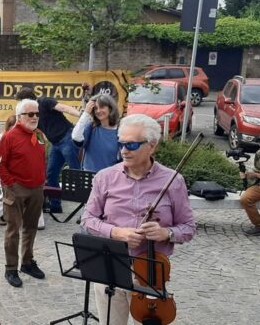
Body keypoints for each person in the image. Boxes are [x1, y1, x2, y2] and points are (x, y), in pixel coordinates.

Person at [80, 114, 196, 325]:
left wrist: (166, 233)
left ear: (152, 146)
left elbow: (188, 228)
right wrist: (117, 233)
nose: (124, 150)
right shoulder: (105, 177)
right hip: (111, 268)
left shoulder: (173, 181)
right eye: (121, 143)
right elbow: (87, 219)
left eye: (132, 144)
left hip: (150, 274)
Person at [0, 99, 47, 288]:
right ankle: (11, 268)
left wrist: (43, 180)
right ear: (20, 117)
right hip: (16, 189)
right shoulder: (9, 137)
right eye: (30, 114)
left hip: (36, 188)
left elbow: (43, 159)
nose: (35, 117)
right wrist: (11, 185)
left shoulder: (40, 135)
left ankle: (27, 262)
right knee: (13, 230)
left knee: (31, 228)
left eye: (37, 114)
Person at [15, 87, 81, 213]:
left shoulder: (45, 102)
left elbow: (63, 108)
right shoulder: (32, 113)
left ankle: (90, 208)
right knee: (51, 174)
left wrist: (80, 115)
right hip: (55, 144)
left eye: (21, 103)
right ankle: (55, 206)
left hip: (67, 138)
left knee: (78, 174)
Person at [0, 115, 45, 230]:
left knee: (34, 191)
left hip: (26, 175)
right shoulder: (2, 139)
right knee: (12, 191)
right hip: (1, 174)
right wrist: (11, 182)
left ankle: (35, 220)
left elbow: (41, 156)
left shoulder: (36, 135)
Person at [71, 93, 121, 173]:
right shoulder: (91, 127)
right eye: (95, 108)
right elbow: (76, 138)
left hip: (111, 178)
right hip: (90, 176)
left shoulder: (120, 130)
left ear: (110, 109)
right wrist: (86, 113)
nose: (98, 111)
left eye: (102, 107)